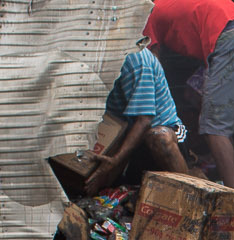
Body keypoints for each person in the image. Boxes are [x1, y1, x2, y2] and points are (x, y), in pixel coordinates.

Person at [144, 0, 234, 190]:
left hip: (229, 42)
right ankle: (221, 165)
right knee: (197, 96)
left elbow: (150, 66)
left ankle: (233, 197)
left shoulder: (148, 13)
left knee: (214, 129)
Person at [82, 48, 191, 196]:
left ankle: (192, 197)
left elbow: (144, 120)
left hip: (162, 130)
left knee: (159, 138)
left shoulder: (135, 59)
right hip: (121, 134)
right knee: (88, 186)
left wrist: (115, 160)